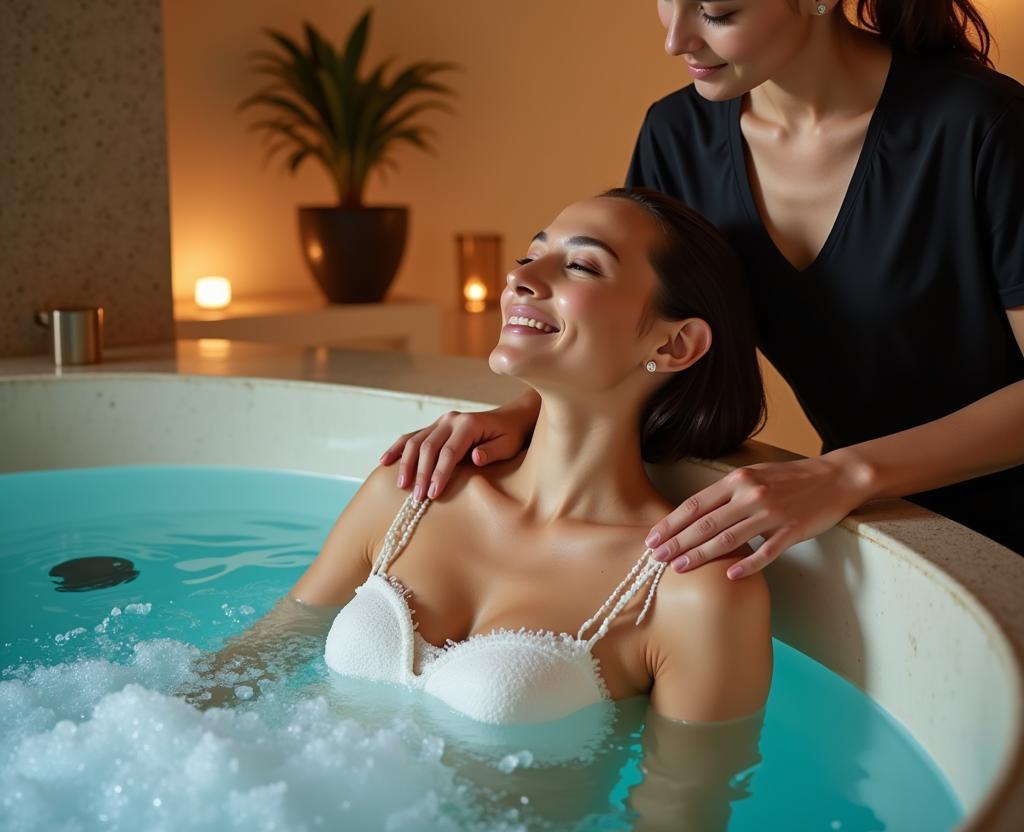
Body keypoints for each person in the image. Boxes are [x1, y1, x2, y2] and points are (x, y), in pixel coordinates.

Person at [383, 0, 1024, 564]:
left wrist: (846, 471)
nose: (675, 39)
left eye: (715, 11)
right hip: (879, 527)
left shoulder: (982, 126)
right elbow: (632, 338)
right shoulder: (677, 137)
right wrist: (521, 413)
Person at [184, 189, 773, 734]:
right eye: (529, 255)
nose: (520, 277)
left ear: (674, 344)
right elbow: (257, 658)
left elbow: (683, 808)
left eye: (581, 266)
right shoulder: (411, 489)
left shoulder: (692, 586)